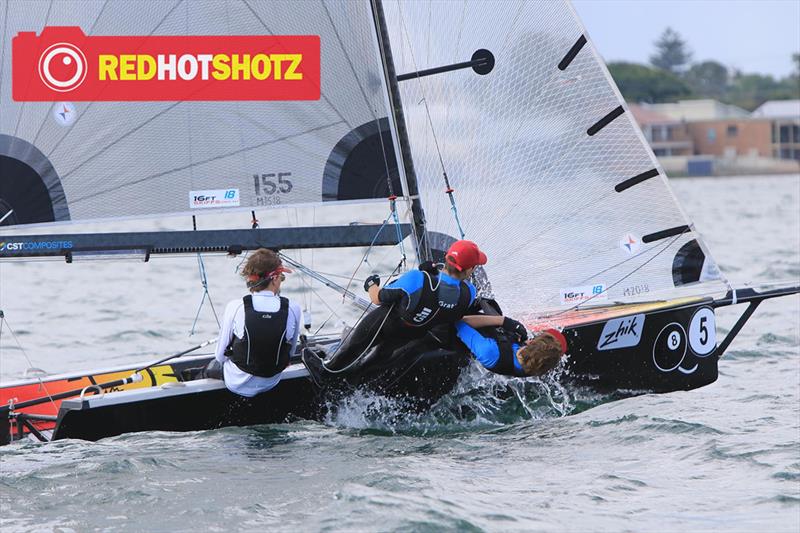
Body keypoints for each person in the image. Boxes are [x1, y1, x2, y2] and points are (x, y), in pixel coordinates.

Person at [304, 240, 487, 377]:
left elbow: (378, 299)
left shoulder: (417, 279)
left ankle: (327, 373)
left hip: (387, 324)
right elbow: (442, 297)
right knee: (375, 361)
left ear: (447, 258)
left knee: (354, 348)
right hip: (412, 333)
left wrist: (371, 285)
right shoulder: (468, 293)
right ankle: (354, 382)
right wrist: (432, 274)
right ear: (468, 270)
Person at [205, 248, 303, 397]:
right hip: (271, 381)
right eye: (282, 277)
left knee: (211, 366)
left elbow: (220, 356)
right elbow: (290, 353)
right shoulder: (293, 308)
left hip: (236, 383)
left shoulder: (236, 306)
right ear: (275, 278)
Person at [456, 313, 567, 377]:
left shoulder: (489, 351)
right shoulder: (532, 367)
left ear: (530, 342)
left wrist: (504, 321)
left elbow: (458, 321)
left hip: (458, 331)